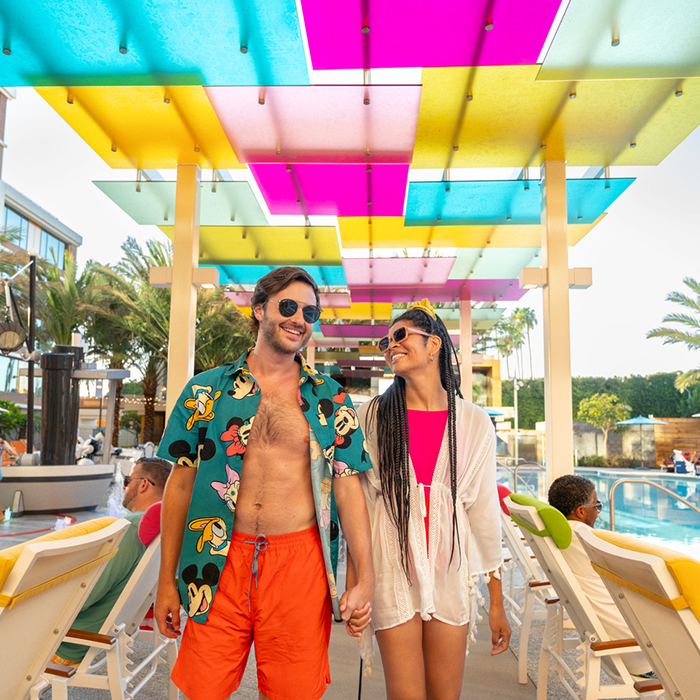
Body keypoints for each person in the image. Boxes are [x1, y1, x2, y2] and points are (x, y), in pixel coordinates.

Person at [155, 266, 374, 700]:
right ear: (259, 310)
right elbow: (178, 485)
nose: (299, 320)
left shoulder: (329, 397)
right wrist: (166, 581)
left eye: (310, 313)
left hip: (299, 562)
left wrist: (363, 579)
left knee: (294, 692)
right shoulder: (205, 391)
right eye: (288, 307)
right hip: (215, 557)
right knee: (202, 690)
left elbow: (349, 488)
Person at [350, 299, 510, 700]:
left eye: (400, 335)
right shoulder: (372, 416)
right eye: (386, 342)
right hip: (392, 570)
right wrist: (356, 583)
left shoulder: (472, 421)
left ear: (435, 344)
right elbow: (360, 505)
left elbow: (485, 516)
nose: (391, 346)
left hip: (450, 574)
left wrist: (496, 602)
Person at [51, 456, 171, 666]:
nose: (124, 486)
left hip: (66, 643)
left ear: (143, 484)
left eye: (127, 480)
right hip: (105, 633)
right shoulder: (165, 527)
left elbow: (88, 594)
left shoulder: (132, 528)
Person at [548, 475, 655, 678]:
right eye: (597, 506)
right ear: (581, 511)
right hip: (640, 654)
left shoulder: (562, 536)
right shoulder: (589, 540)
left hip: (609, 641)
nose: (598, 513)